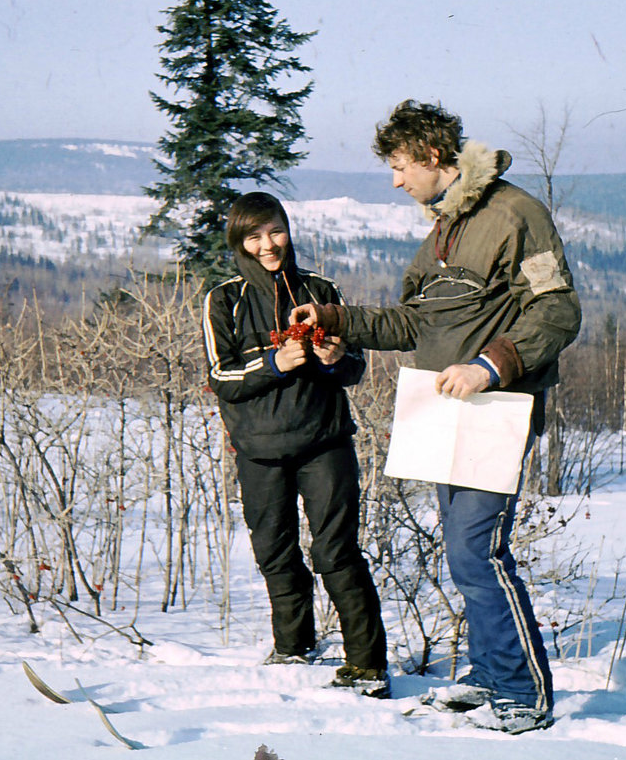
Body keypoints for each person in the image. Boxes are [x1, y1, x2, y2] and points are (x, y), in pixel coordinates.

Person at [290, 100, 581, 732]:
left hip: (497, 408)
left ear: (430, 155)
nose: (396, 181)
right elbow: (412, 323)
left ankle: (524, 695)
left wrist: (491, 364)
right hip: (447, 415)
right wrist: (336, 319)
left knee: (479, 553)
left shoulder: (514, 214)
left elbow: (558, 313)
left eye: (400, 166)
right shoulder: (442, 232)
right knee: (462, 552)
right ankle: (486, 675)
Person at [202, 191, 389, 697]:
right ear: (239, 242)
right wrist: (272, 364)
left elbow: (354, 369)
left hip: (324, 443)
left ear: (289, 230)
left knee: (336, 552)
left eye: (276, 231)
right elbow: (221, 375)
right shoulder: (224, 299)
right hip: (259, 450)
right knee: (275, 553)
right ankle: (293, 649)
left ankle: (368, 667)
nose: (269, 245)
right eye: (254, 236)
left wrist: (332, 357)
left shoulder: (320, 289)